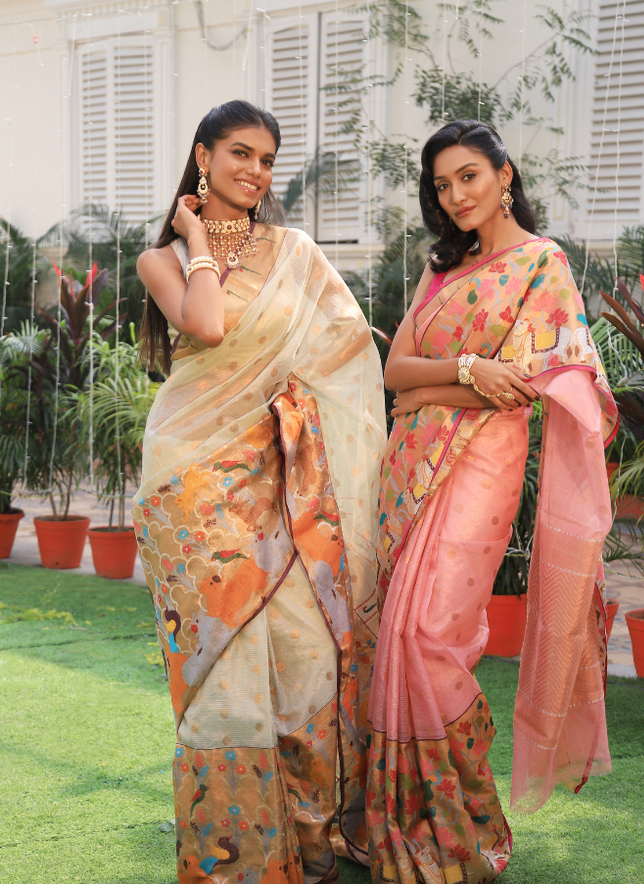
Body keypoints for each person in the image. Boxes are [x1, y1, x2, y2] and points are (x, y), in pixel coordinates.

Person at [133, 100, 387, 884]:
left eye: (267, 160)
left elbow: (344, 355)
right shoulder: (162, 259)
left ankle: (308, 837)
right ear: (202, 157)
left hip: (283, 471)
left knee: (306, 651)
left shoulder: (295, 252)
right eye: (239, 154)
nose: (255, 171)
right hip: (190, 475)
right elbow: (206, 327)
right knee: (226, 661)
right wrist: (201, 239)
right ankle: (237, 853)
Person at [366, 120, 618, 884]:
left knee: (430, 635)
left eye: (468, 176)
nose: (455, 196)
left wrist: (443, 388)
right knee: (397, 632)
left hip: (482, 464)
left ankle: (463, 819)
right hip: (407, 468)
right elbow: (393, 375)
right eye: (441, 186)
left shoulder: (542, 264)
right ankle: (408, 820)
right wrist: (471, 371)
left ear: (504, 174)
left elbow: (536, 384)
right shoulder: (440, 268)